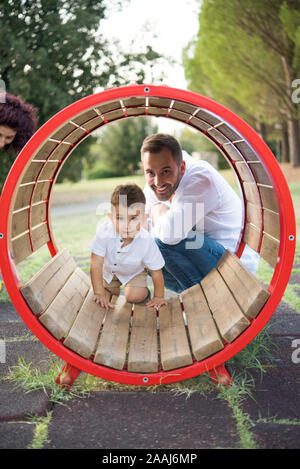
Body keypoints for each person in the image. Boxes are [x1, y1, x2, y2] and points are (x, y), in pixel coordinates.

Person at [141, 133, 260, 294]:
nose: (158, 181)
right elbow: (141, 215)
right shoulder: (164, 173)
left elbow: (169, 235)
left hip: (234, 265)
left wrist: (157, 209)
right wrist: (156, 211)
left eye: (165, 172)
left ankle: (207, 302)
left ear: (181, 167)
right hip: (207, 258)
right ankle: (203, 299)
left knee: (161, 243)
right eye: (150, 173)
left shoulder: (200, 177)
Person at [89, 183, 167, 310]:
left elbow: (156, 271)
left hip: (133, 272)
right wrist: (99, 293)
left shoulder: (146, 240)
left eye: (133, 218)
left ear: (143, 218)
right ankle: (110, 289)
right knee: (108, 294)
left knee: (134, 296)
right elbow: (95, 264)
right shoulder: (104, 232)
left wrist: (159, 296)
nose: (127, 225)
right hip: (109, 272)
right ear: (111, 218)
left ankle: (144, 293)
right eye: (120, 218)